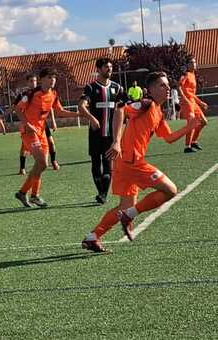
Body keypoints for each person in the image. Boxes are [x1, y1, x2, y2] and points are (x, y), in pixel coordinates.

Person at [81, 71, 201, 252]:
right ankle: (129, 216)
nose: (168, 88)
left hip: (125, 162)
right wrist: (116, 141)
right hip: (131, 161)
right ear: (150, 90)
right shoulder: (145, 104)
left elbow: (168, 137)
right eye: (162, 85)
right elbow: (120, 109)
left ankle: (93, 237)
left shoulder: (158, 112)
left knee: (125, 205)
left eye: (168, 85)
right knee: (170, 190)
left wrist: (188, 127)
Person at [14, 68, 86, 208]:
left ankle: (26, 193)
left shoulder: (53, 94)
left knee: (40, 165)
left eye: (54, 77)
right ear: (41, 79)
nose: (53, 80)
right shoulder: (31, 93)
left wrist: (78, 115)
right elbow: (17, 109)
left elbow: (59, 111)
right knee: (42, 163)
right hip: (29, 132)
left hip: (41, 132)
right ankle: (31, 195)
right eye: (49, 77)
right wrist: (27, 124)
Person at [79, 57, 127, 204]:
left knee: (108, 164)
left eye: (111, 67)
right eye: (106, 67)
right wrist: (91, 118)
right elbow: (81, 105)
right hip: (95, 134)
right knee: (95, 163)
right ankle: (101, 191)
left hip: (110, 135)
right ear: (98, 69)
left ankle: (103, 194)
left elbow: (126, 106)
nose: (109, 69)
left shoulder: (118, 88)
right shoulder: (91, 87)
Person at [14, 74, 60, 175]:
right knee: (24, 147)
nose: (33, 83)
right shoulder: (25, 95)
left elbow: (50, 107)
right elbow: (16, 108)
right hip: (29, 125)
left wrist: (53, 120)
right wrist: (25, 122)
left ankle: (53, 161)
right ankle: (22, 167)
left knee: (51, 142)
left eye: (35, 81)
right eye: (31, 81)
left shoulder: (45, 92)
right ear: (27, 82)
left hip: (42, 123)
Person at [179, 58, 209, 153]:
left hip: (193, 102)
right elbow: (179, 86)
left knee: (204, 122)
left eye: (195, 62)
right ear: (187, 65)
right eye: (191, 62)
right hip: (187, 102)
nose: (194, 64)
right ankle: (187, 147)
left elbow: (192, 93)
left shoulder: (193, 75)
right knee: (191, 123)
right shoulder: (186, 74)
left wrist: (200, 103)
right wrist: (184, 98)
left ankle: (193, 142)